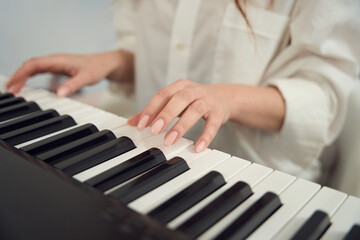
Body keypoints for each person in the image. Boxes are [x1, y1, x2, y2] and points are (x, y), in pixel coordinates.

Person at [6, 0, 360, 182]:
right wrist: (112, 61)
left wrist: (227, 97)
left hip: (255, 178)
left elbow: (324, 98)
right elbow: (156, 53)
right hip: (147, 159)